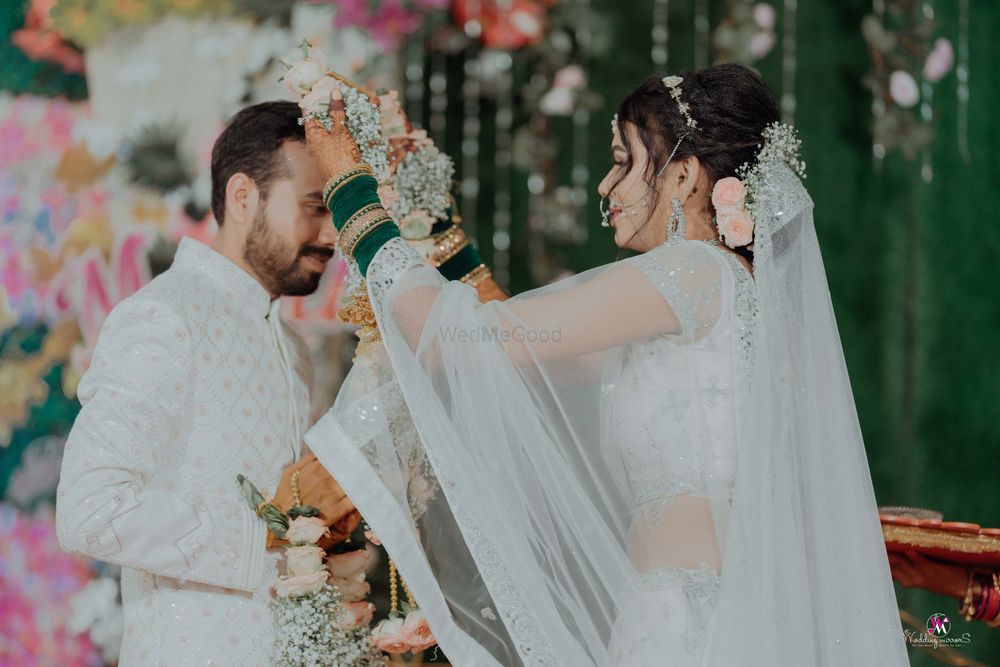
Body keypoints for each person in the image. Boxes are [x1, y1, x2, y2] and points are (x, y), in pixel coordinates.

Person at [304, 64, 910, 665]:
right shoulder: (720, 295)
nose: (605, 185)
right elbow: (519, 352)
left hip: (684, 623)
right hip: (698, 615)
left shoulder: (694, 271)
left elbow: (461, 343)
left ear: (685, 176)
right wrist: (434, 229)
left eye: (623, 160)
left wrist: (350, 191)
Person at [55, 101, 360, 666]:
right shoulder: (164, 317)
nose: (333, 234)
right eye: (316, 207)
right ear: (244, 197)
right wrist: (266, 535)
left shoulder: (291, 346)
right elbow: (89, 511)